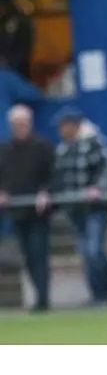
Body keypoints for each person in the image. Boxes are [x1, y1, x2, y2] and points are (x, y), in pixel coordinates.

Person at [51, 106, 107, 305]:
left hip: (95, 208)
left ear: (73, 124)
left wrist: (98, 187)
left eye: (63, 125)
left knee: (94, 249)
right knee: (85, 252)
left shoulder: (93, 143)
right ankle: (99, 294)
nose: (61, 129)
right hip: (75, 209)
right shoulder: (63, 148)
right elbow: (59, 176)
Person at [0, 105, 55, 312]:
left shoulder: (43, 146)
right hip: (16, 211)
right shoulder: (4, 149)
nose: (19, 127)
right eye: (16, 123)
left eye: (23, 123)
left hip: (39, 213)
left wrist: (45, 192)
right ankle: (39, 297)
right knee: (28, 256)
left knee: (38, 254)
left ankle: (43, 299)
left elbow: (53, 175)